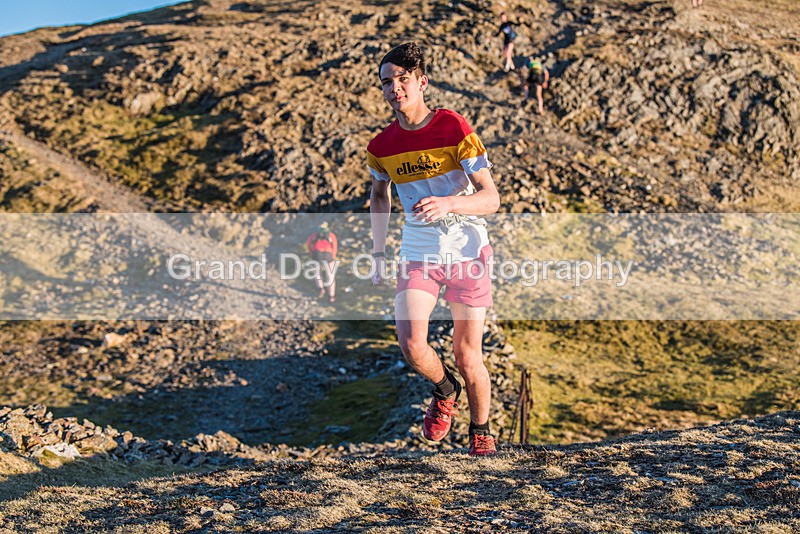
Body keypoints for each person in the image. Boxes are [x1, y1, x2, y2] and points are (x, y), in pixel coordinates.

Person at [367, 42, 501, 456]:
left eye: (402, 80)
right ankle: (445, 391)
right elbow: (378, 195)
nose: (394, 89)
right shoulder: (382, 145)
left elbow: (491, 198)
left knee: (467, 353)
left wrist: (450, 203)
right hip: (419, 249)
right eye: (387, 83)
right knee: (411, 344)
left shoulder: (454, 128)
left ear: (421, 82)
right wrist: (377, 252)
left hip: (468, 249)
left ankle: (481, 433)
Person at [305, 222, 338, 303]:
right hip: (328, 255)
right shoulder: (331, 235)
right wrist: (333, 256)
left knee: (317, 273)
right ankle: (331, 296)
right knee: (330, 275)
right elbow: (335, 246)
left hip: (317, 254)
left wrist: (311, 253)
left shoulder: (314, 235)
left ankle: (321, 289)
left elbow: (308, 244)